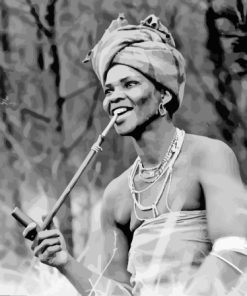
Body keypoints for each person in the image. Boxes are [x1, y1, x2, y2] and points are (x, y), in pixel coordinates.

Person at [23, 14, 247, 296]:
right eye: (109, 89)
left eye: (129, 84)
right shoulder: (116, 196)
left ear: (164, 96)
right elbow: (119, 293)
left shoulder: (209, 156)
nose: (113, 97)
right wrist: (65, 263)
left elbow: (235, 250)